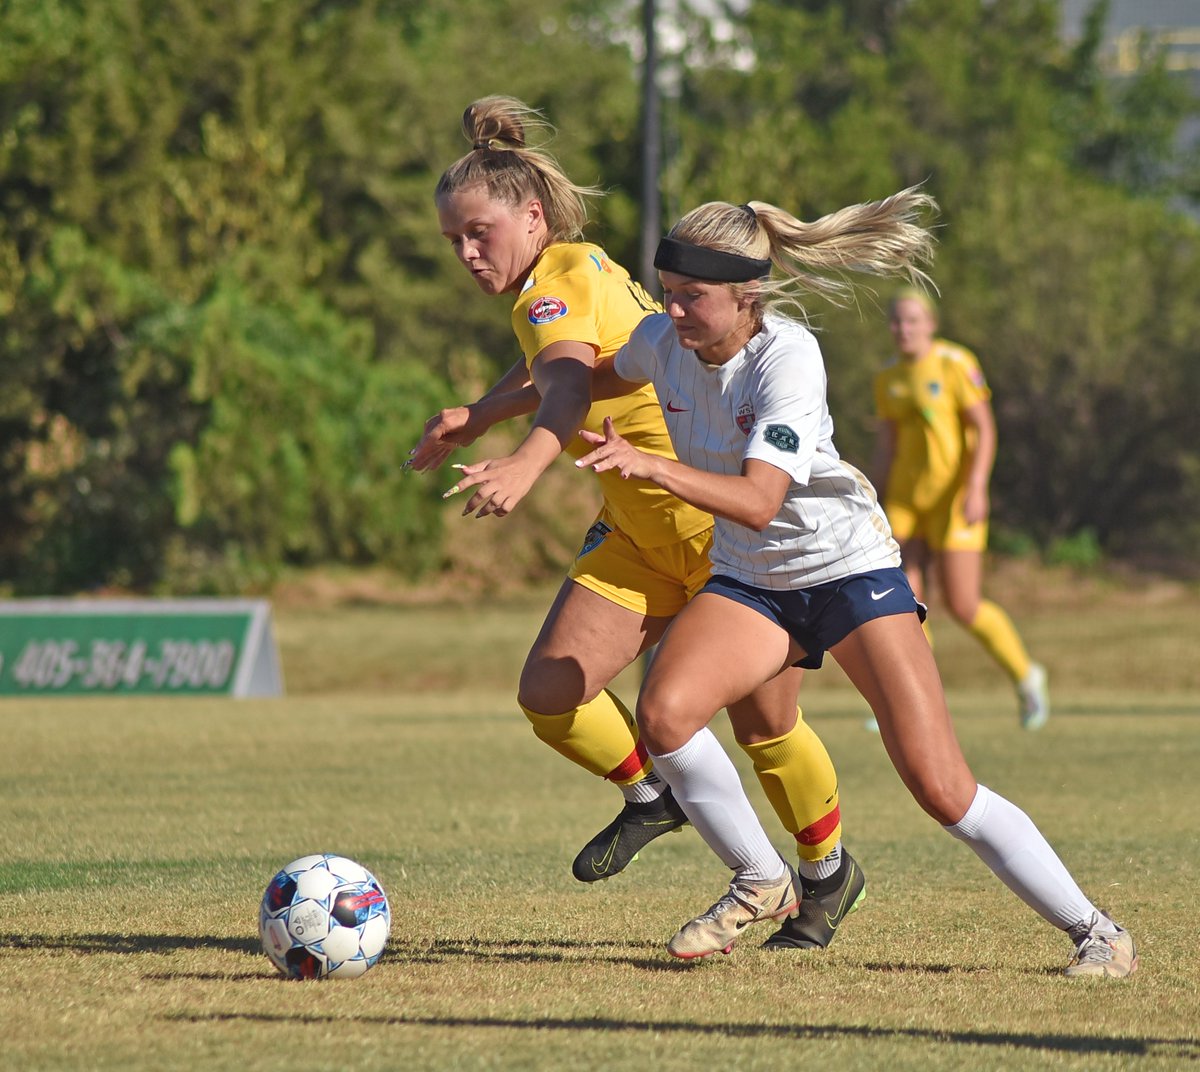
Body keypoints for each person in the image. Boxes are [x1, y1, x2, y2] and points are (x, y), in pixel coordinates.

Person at [573, 191, 1138, 977]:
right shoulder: (661, 340)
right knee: (665, 716)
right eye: (665, 290)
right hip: (752, 578)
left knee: (941, 787)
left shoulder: (788, 356)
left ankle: (1098, 933)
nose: (671, 308)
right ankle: (763, 879)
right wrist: (483, 412)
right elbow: (585, 375)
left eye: (690, 296)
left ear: (746, 295)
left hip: (847, 570)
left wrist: (653, 466)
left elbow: (762, 498)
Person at [411, 95, 861, 950]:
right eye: (453, 242)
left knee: (767, 729)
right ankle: (654, 798)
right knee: (550, 694)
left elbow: (572, 389)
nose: (468, 254)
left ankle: (827, 870)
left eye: (480, 233)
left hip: (724, 539)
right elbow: (556, 369)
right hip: (639, 532)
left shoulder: (559, 282)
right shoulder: (559, 279)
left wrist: (521, 462)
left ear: (531, 216)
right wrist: (479, 414)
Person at [871, 289, 1049, 730]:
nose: (903, 329)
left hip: (953, 498)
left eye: (912, 320)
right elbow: (887, 447)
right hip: (905, 499)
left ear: (931, 323)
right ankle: (913, 700)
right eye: (896, 321)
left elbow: (984, 430)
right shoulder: (888, 378)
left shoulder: (955, 364)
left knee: (963, 603)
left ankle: (1027, 677)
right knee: (904, 605)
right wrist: (870, 495)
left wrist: (975, 486)